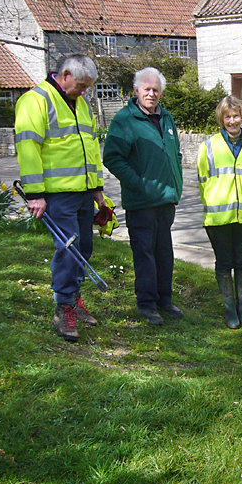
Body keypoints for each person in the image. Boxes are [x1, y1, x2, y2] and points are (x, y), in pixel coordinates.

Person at [15, 54, 103, 342]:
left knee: (84, 248)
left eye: (87, 87)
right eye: (80, 85)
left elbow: (91, 147)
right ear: (64, 74)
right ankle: (63, 308)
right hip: (57, 194)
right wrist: (35, 195)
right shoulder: (35, 101)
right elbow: (28, 149)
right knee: (68, 251)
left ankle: (74, 299)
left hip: (83, 192)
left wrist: (97, 189)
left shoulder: (82, 104)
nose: (84, 91)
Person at [103, 67, 184, 326]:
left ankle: (164, 300)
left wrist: (176, 183)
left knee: (164, 253)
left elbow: (176, 154)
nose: (152, 94)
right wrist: (138, 184)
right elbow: (113, 158)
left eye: (156, 90)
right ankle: (146, 304)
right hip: (141, 202)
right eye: (147, 89)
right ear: (136, 90)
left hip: (166, 199)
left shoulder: (167, 118)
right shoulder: (125, 119)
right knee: (145, 254)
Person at [197, 95, 242, 329]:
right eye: (227, 116)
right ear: (221, 119)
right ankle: (229, 310)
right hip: (218, 216)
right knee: (224, 263)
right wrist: (214, 204)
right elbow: (202, 179)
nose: (232, 121)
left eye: (235, 116)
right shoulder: (209, 145)